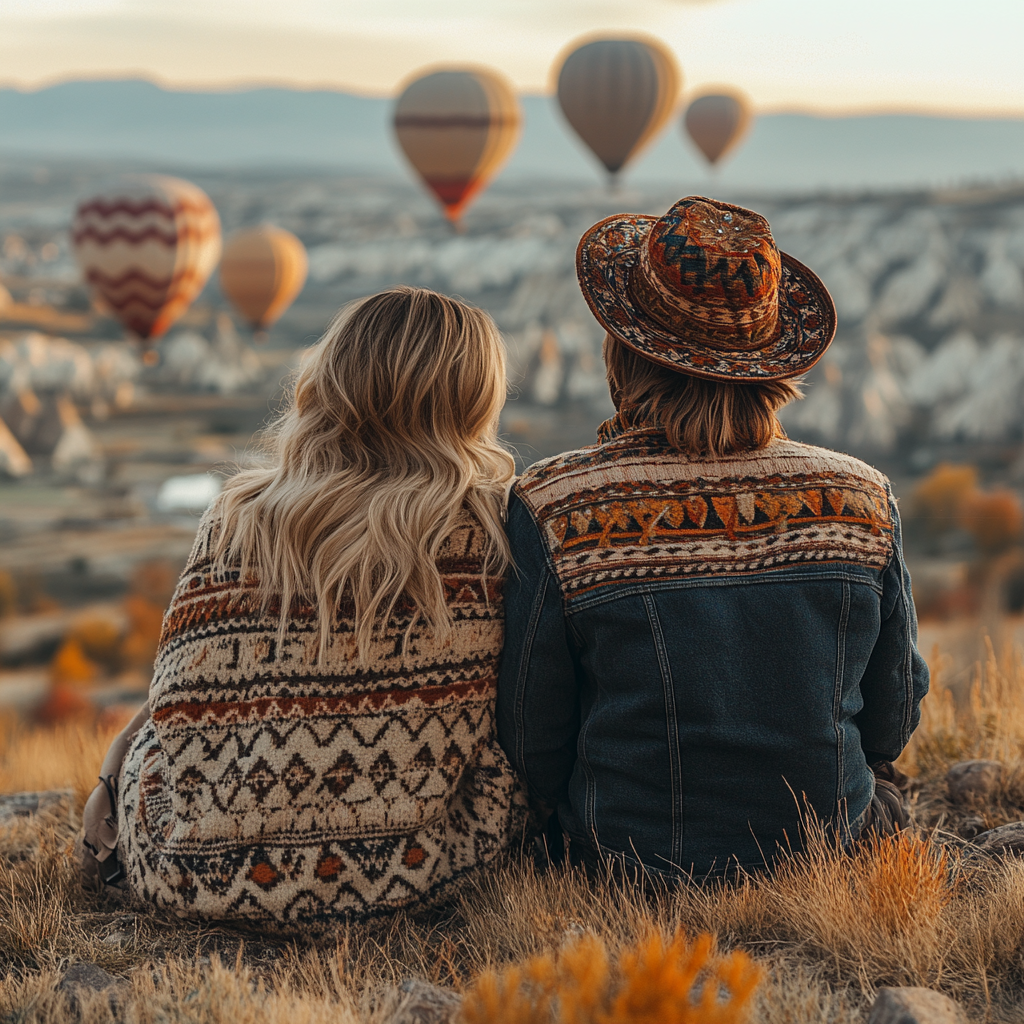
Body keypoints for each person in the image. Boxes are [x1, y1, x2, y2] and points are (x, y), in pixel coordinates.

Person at [497, 197, 929, 881]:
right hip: (826, 848)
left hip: (631, 863)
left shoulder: (558, 505)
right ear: (773, 365)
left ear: (624, 352)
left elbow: (530, 734)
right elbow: (892, 718)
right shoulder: (861, 499)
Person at [78, 287, 526, 926]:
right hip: (413, 876)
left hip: (189, 878)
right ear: (477, 398)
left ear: (332, 380)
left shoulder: (234, 518)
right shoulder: (496, 528)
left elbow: (178, 704)